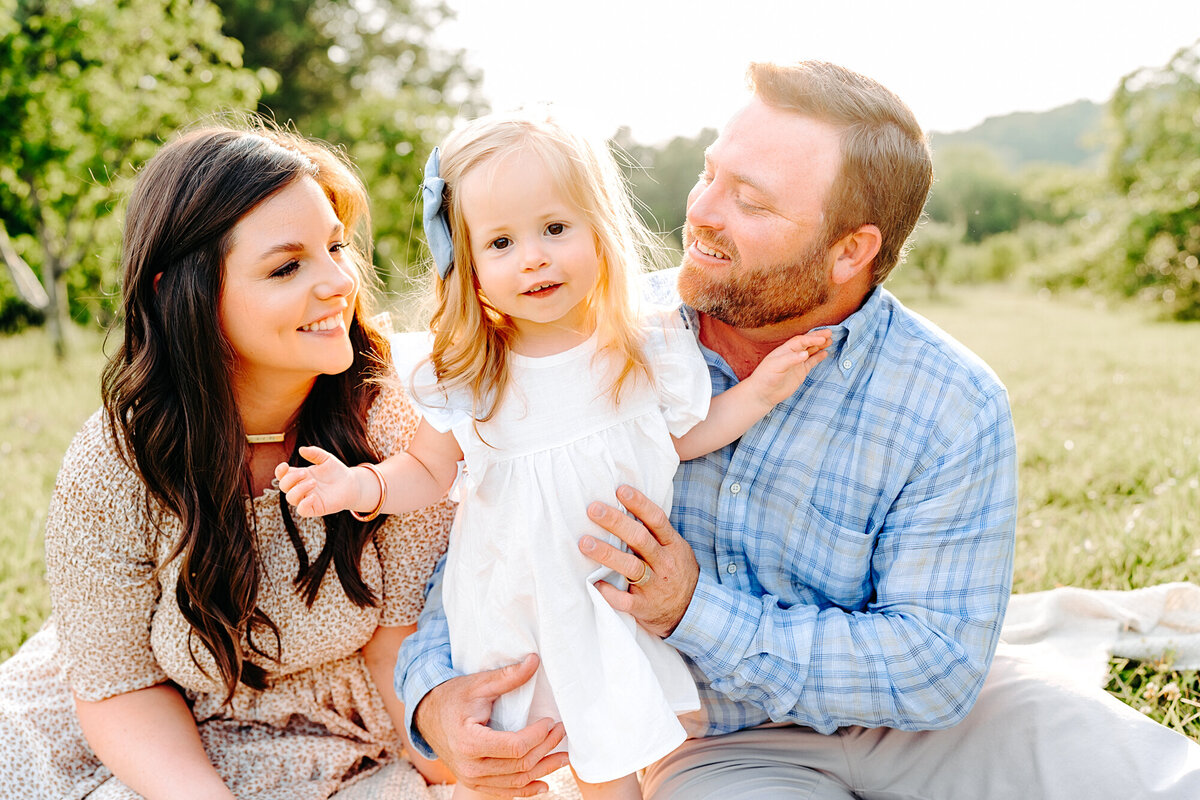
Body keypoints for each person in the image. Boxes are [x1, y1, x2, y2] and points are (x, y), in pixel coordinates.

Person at [397, 61, 1200, 799]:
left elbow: (938, 671)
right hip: (725, 746)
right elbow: (491, 546)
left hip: (942, 725)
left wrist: (692, 608)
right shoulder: (593, 342)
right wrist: (433, 699)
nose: (702, 211)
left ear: (851, 250)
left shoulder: (952, 401)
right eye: (711, 174)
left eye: (749, 200)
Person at [275, 111, 830, 800]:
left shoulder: (640, 348)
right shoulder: (472, 375)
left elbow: (682, 439)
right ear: (470, 269)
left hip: (601, 605)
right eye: (502, 242)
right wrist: (358, 487)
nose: (533, 257)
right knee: (508, 770)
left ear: (599, 231)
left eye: (554, 229)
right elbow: (424, 472)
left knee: (610, 761)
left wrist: (761, 392)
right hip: (508, 608)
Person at [0, 123, 460, 799]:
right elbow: (121, 689)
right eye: (286, 267)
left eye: (334, 246)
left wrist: (445, 758)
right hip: (166, 736)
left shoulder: (393, 421)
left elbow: (400, 637)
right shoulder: (117, 462)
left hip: (361, 731)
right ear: (180, 292)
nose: (338, 281)